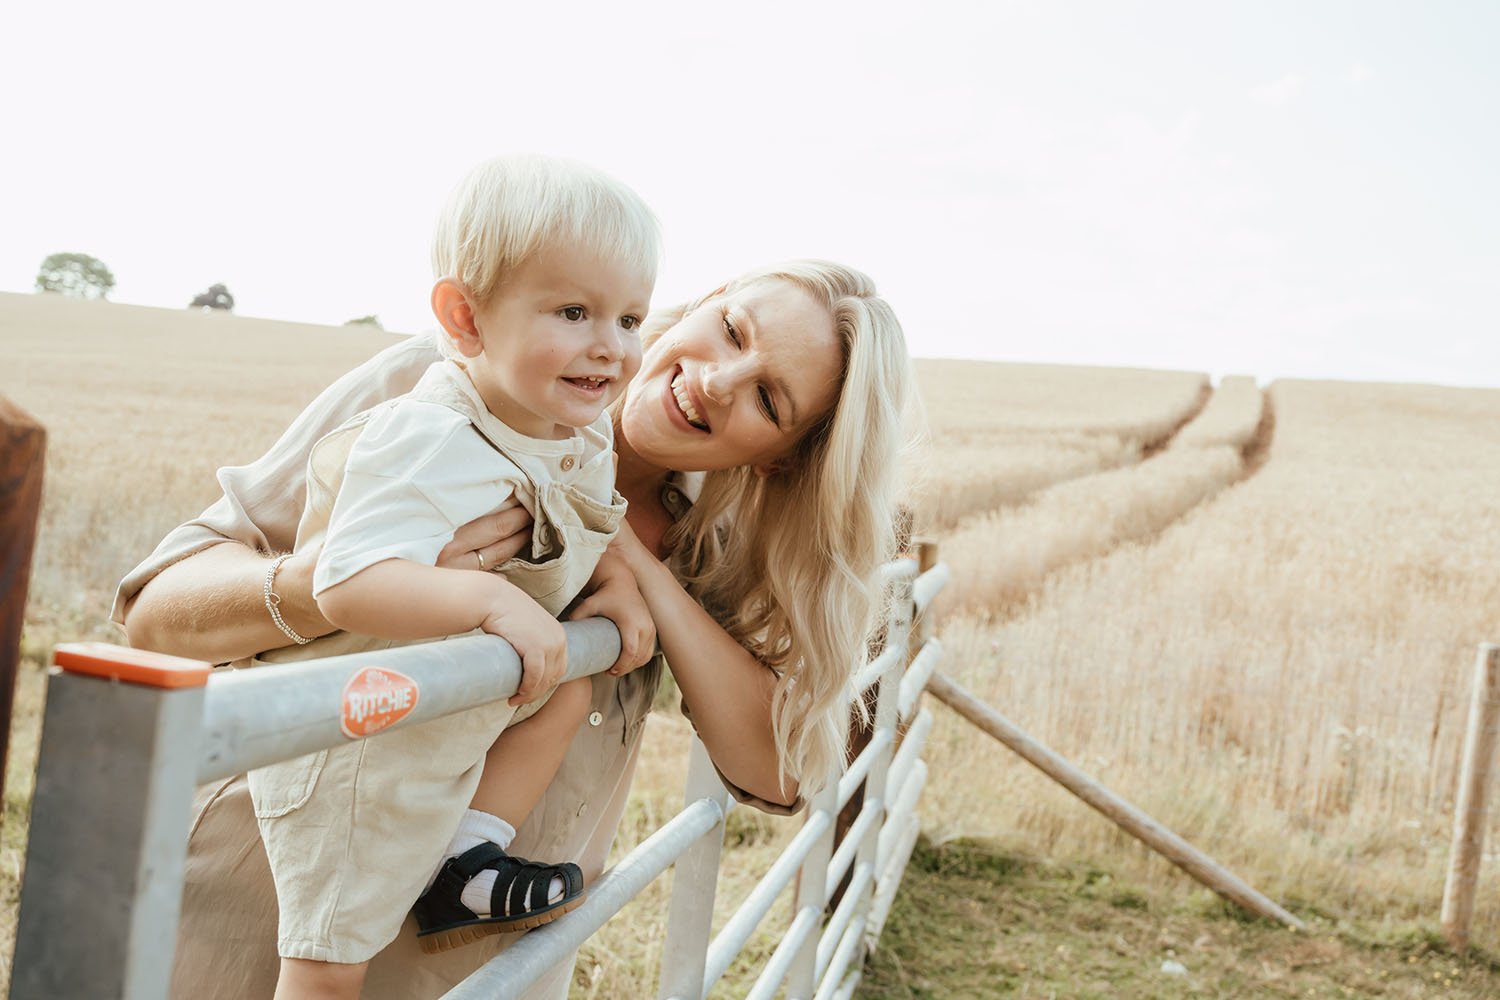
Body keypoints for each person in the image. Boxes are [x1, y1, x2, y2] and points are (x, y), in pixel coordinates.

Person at [118, 253, 914, 998]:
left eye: (769, 399)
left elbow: (774, 771)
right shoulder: (450, 387)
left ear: (779, 457)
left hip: (485, 967)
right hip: (263, 915)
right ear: (703, 303)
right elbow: (156, 610)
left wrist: (634, 565)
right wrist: (337, 582)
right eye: (733, 330)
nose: (716, 380)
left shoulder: (717, 543)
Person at [240, 155, 658, 998]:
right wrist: (493, 597)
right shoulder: (428, 435)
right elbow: (348, 581)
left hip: (457, 712)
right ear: (465, 317)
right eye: (574, 311)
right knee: (328, 968)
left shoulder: (568, 430)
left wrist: (613, 573)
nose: (610, 346)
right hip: (367, 736)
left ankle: (465, 861)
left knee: (568, 693)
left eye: (630, 316)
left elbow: (575, 514)